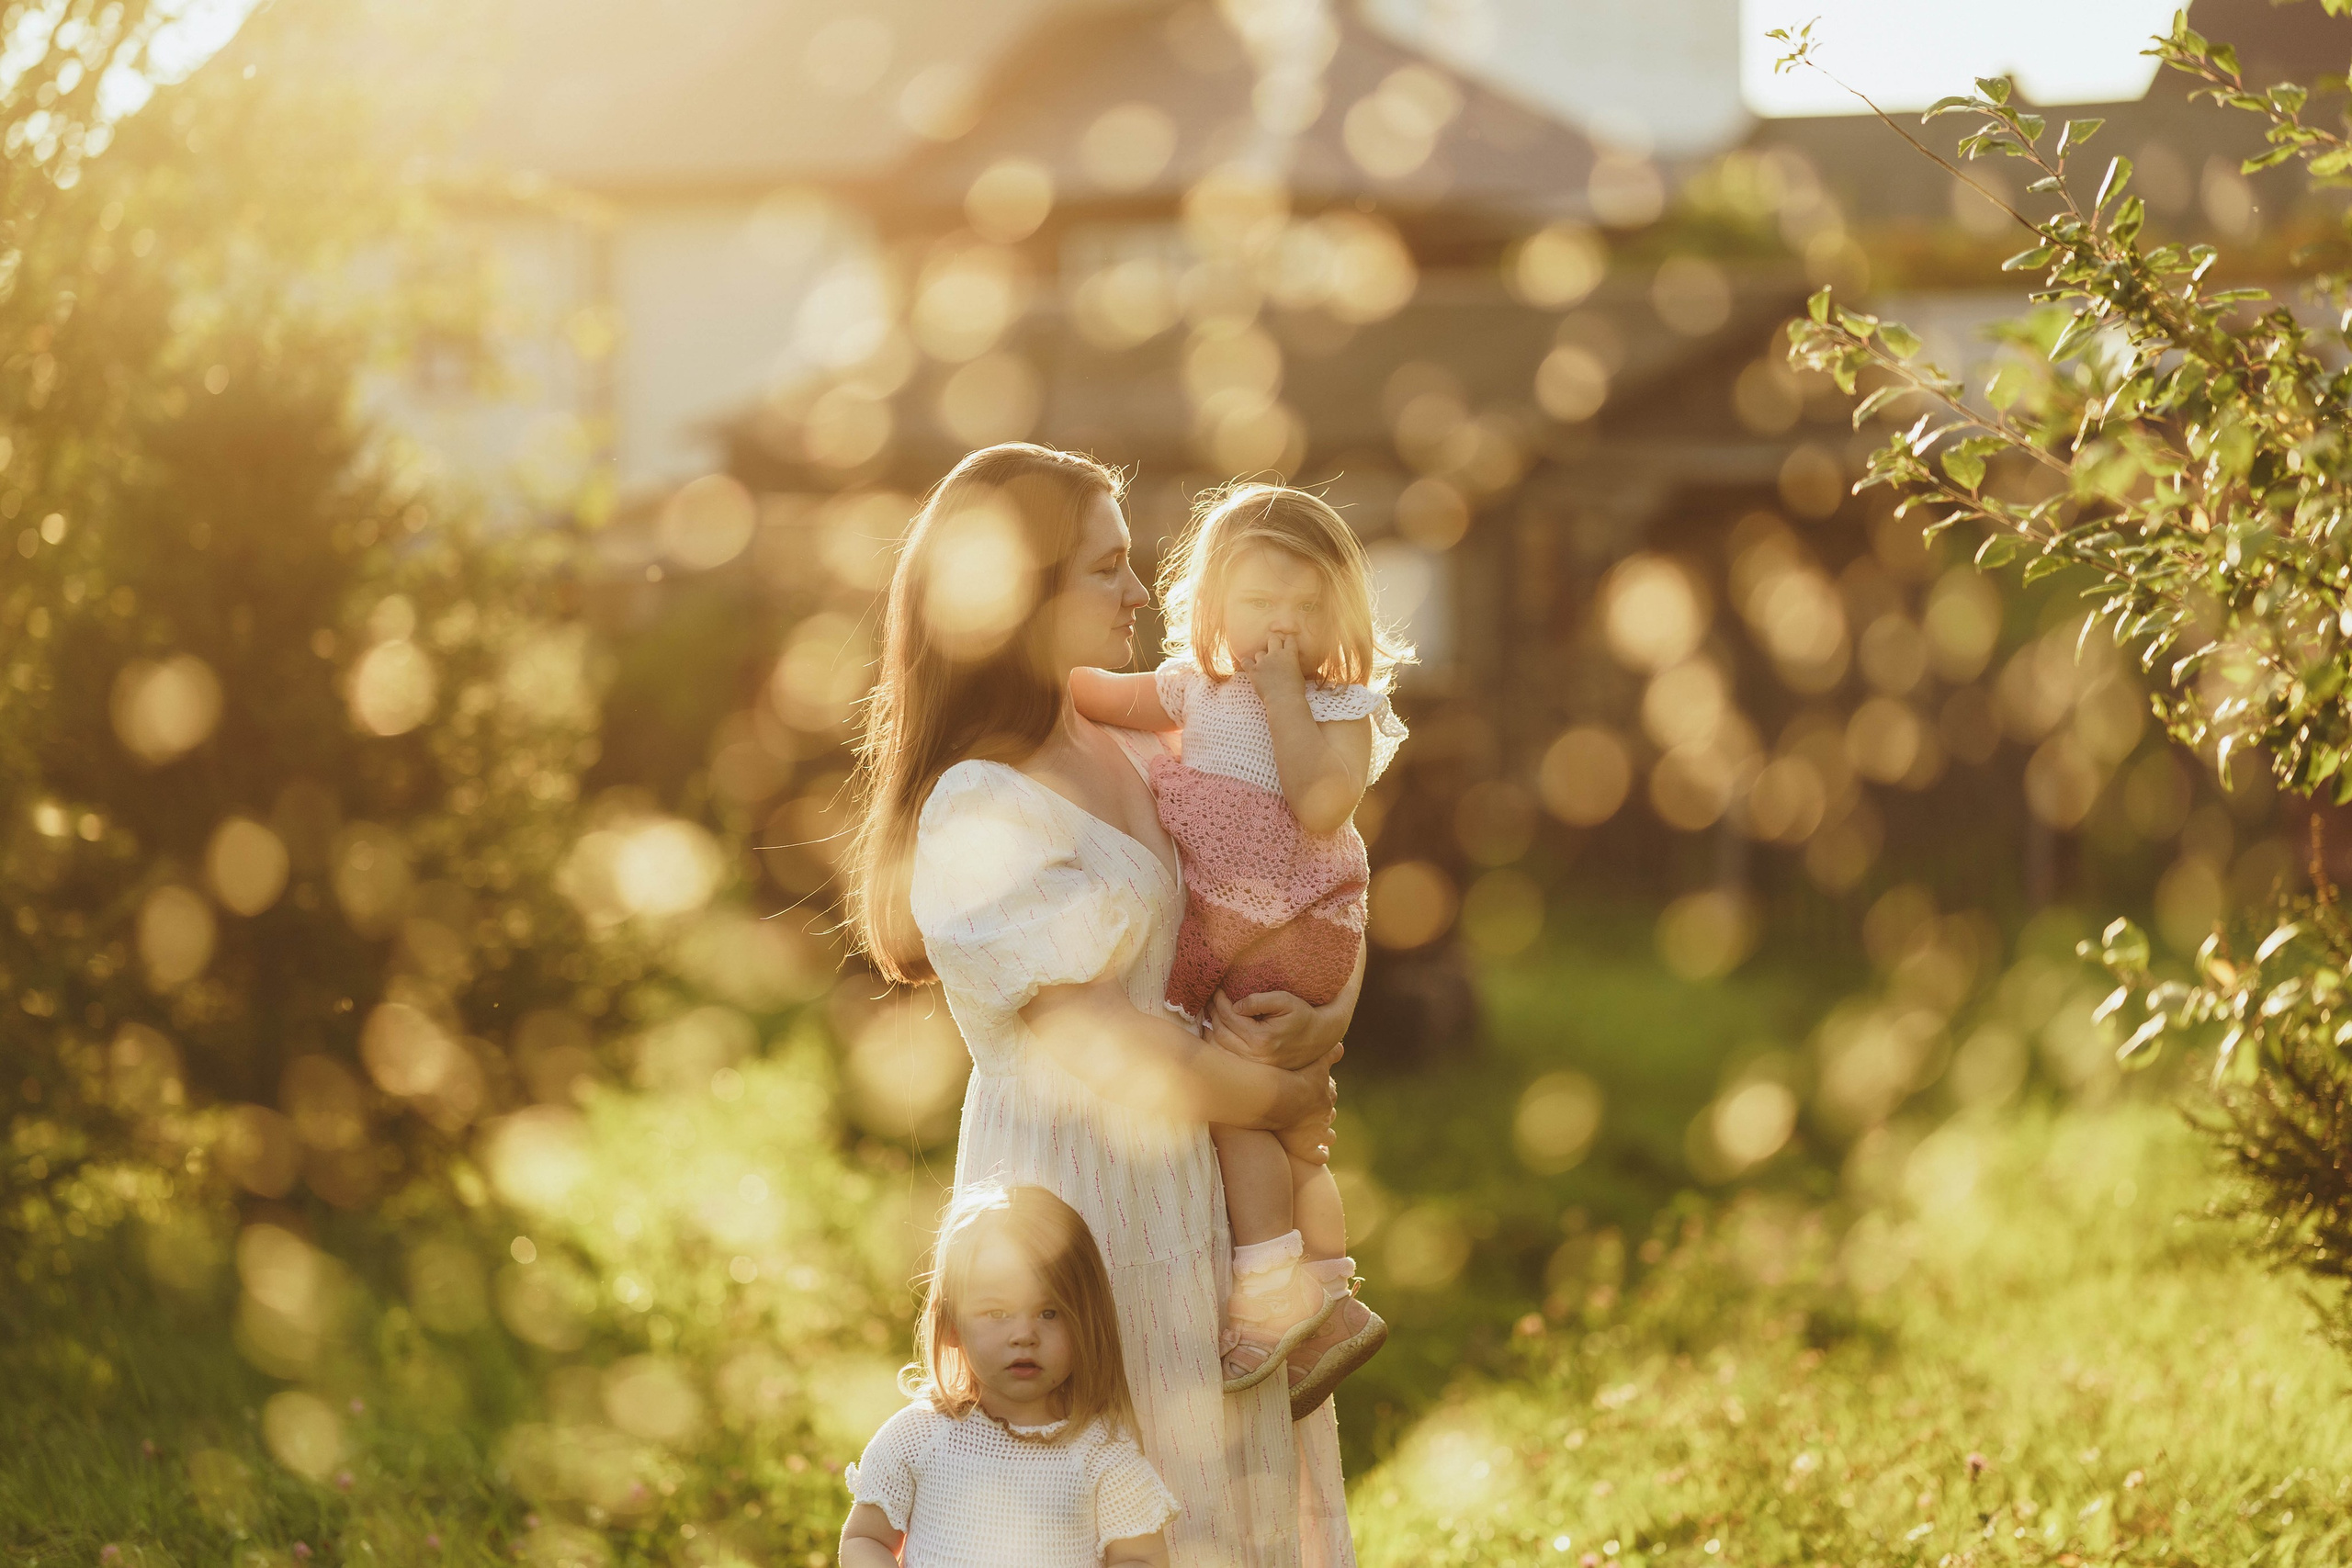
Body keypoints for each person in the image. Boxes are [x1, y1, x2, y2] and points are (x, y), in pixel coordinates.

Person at [845, 443, 1358, 1565]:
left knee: (1224, 1491)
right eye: (1105, 568)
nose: (1140, 593)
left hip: (1199, 1175)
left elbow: (1282, 894)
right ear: (1020, 591)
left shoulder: (1134, 741)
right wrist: (1279, 1097)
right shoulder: (980, 803)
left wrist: (1320, 1026)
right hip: (1074, 1198)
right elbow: (1109, 1046)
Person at [1070, 485, 1408, 1415]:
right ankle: (1332, 1294)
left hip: (1294, 925)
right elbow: (1091, 694)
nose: (1284, 628)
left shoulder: (1338, 702)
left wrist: (1283, 697)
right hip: (1242, 928)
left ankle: (1270, 1300)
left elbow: (1322, 805)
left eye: (1307, 608)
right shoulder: (1187, 687)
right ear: (1214, 606)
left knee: (1237, 1108)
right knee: (1290, 1139)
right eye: (1262, 605)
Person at [839, 1183, 1180, 1568]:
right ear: (952, 1325)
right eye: (997, 1313)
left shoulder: (1101, 1452)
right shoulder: (920, 1436)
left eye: (1049, 1313)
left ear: (1086, 1323)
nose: (1024, 1335)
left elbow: (1140, 1559)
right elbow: (866, 1538)